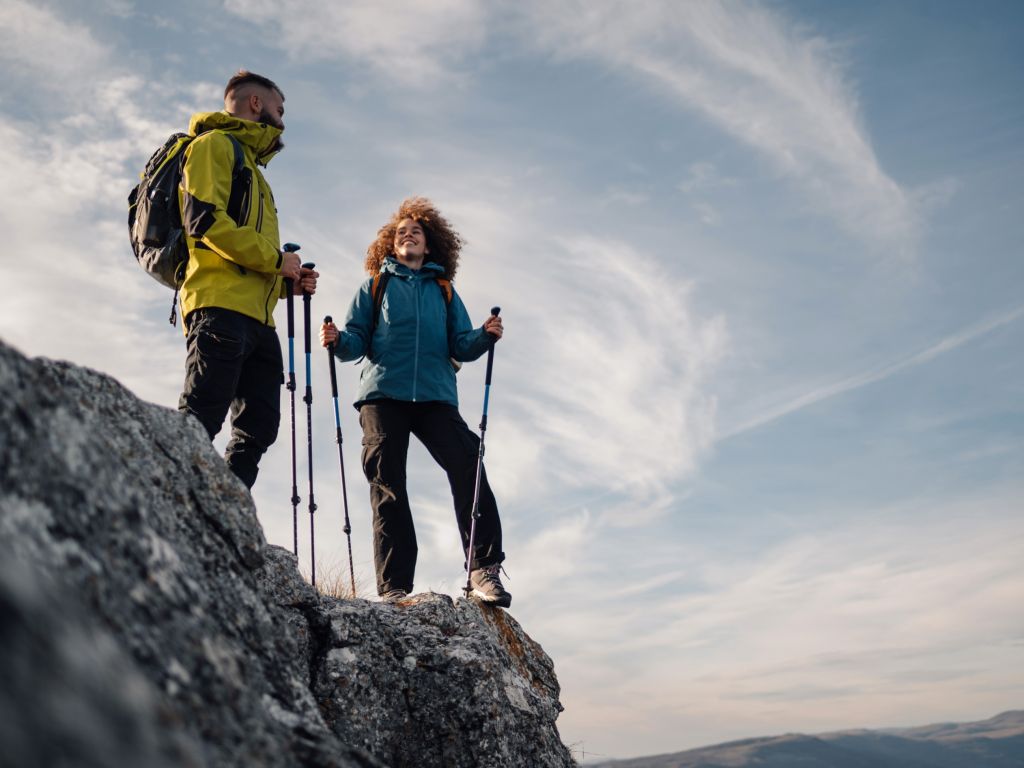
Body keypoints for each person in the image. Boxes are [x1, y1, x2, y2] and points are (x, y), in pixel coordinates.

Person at [319, 198, 510, 607]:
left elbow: (461, 343)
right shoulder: (375, 286)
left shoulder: (444, 291)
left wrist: (484, 334)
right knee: (388, 484)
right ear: (390, 244)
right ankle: (394, 587)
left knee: (467, 462)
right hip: (382, 394)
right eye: (400, 232)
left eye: (416, 232)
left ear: (429, 245)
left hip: (434, 394)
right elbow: (355, 341)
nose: (407, 235)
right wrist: (337, 342)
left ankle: (483, 568)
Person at [177, 70, 318, 489]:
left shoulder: (257, 174)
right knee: (202, 415)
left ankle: (225, 509)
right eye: (280, 108)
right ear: (256, 104)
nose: (283, 119)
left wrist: (286, 283)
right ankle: (171, 505)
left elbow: (255, 260)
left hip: (259, 320)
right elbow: (204, 222)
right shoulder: (212, 146)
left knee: (259, 425)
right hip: (218, 306)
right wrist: (277, 260)